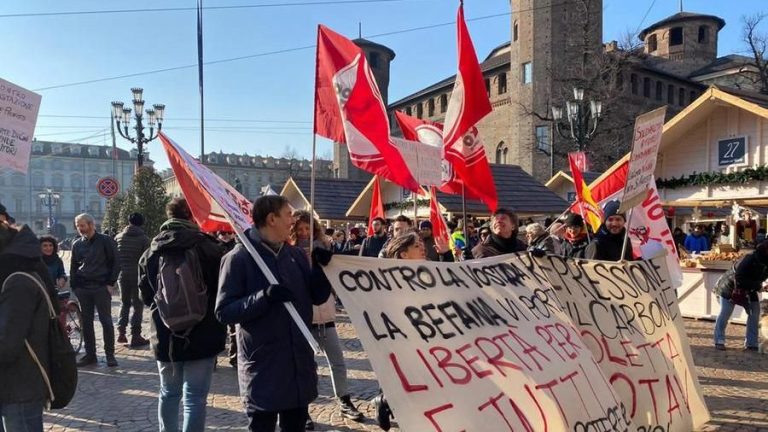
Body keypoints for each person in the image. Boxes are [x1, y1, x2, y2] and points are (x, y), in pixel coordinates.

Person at [215, 195, 331, 432]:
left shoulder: (295, 255)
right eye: (288, 214)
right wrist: (263, 297)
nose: (293, 221)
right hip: (263, 368)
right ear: (271, 219)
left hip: (297, 365)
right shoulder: (238, 258)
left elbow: (316, 297)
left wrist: (322, 271)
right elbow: (224, 312)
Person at [138, 198, 226, 432]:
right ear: (192, 215)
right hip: (203, 331)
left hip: (165, 334)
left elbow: (146, 297)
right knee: (195, 398)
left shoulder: (151, 251)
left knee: (168, 393)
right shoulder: (209, 247)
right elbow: (222, 290)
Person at [289, 211, 364, 430]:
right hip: (304, 317)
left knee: (338, 362)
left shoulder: (323, 247)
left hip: (326, 314)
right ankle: (302, 409)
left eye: (308, 229)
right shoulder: (289, 252)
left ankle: (343, 399)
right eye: (300, 229)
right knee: (305, 366)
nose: (304, 233)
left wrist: (326, 263)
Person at [0, 215, 58, 431]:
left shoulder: (17, 281)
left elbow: (7, 343)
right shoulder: (12, 274)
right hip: (15, 383)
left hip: (20, 385)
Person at [70, 213, 121, 367]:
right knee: (86, 323)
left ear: (91, 225)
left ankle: (110, 355)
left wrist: (110, 283)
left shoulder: (106, 241)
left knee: (106, 321)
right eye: (78, 226)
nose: (80, 229)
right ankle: (90, 354)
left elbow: (116, 262)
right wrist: (75, 286)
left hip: (101, 287)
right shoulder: (77, 244)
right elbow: (73, 266)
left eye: (82, 225)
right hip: (83, 288)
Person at [713, 241, 768, 351]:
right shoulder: (749, 259)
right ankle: (719, 340)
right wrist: (758, 286)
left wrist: (762, 285)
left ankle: (751, 343)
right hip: (730, 288)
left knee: (754, 312)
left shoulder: (765, 261)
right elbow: (739, 278)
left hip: (749, 289)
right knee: (725, 312)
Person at [115, 212, 151, 348]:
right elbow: (147, 260)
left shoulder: (118, 237)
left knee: (124, 303)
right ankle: (136, 335)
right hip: (137, 276)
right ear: (141, 223)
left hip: (122, 274)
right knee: (137, 305)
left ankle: (121, 332)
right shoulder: (144, 239)